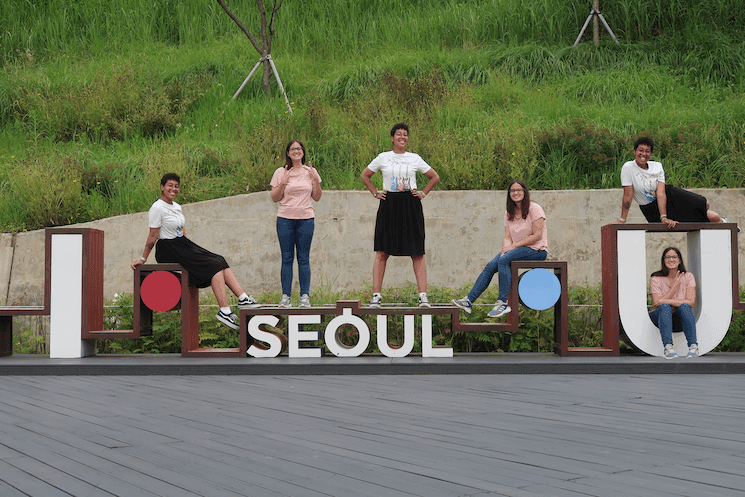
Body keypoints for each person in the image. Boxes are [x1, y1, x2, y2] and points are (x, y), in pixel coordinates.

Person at [131, 172, 260, 330]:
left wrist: (192, 249)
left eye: (176, 186)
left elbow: (182, 231)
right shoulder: (157, 208)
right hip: (168, 248)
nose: (174, 189)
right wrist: (142, 259)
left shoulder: (177, 207)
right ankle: (225, 311)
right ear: (162, 187)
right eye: (170, 185)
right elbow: (153, 235)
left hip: (182, 244)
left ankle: (243, 298)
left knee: (219, 260)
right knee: (214, 265)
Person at [360, 123, 440, 308]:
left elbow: (434, 177)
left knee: (417, 251)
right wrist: (375, 193)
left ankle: (423, 296)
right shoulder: (383, 157)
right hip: (389, 203)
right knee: (382, 251)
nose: (402, 137)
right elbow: (365, 175)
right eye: (398, 135)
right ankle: (376, 296)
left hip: (410, 204)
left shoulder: (414, 158)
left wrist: (423, 193)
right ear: (392, 138)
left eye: (405, 135)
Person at [452, 180, 548, 318]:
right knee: (491, 265)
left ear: (525, 191)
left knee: (504, 260)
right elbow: (508, 236)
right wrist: (505, 248)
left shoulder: (535, 208)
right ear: (509, 194)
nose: (516, 193)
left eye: (519, 190)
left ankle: (502, 303)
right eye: (512, 191)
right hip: (517, 250)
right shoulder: (509, 212)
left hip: (536, 250)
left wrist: (512, 247)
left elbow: (537, 235)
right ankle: (468, 301)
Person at [617, 137, 730, 228]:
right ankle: (722, 223)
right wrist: (622, 220)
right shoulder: (628, 167)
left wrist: (664, 217)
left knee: (705, 204)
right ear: (634, 151)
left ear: (650, 154)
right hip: (651, 209)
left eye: (647, 151)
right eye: (640, 150)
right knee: (713, 217)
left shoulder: (657, 166)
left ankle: (726, 226)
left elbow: (661, 193)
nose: (644, 154)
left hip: (670, 197)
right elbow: (628, 195)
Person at [269, 140, 322, 307]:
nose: (296, 151)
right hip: (285, 219)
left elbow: (317, 196)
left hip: (306, 219)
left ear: (303, 152)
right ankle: (286, 297)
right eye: (293, 149)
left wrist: (315, 180)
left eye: (299, 149)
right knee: (287, 258)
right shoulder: (280, 172)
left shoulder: (311, 172)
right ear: (288, 153)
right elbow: (274, 197)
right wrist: (283, 182)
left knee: (303, 258)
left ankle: (304, 296)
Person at [649, 247, 698, 359]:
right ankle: (668, 347)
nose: (671, 259)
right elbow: (656, 304)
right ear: (663, 260)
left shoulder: (688, 276)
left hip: (679, 318)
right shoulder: (656, 277)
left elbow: (690, 302)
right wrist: (674, 288)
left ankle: (693, 346)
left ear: (680, 260)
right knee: (665, 307)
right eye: (668, 257)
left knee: (685, 307)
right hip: (660, 317)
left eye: (674, 256)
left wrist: (664, 300)